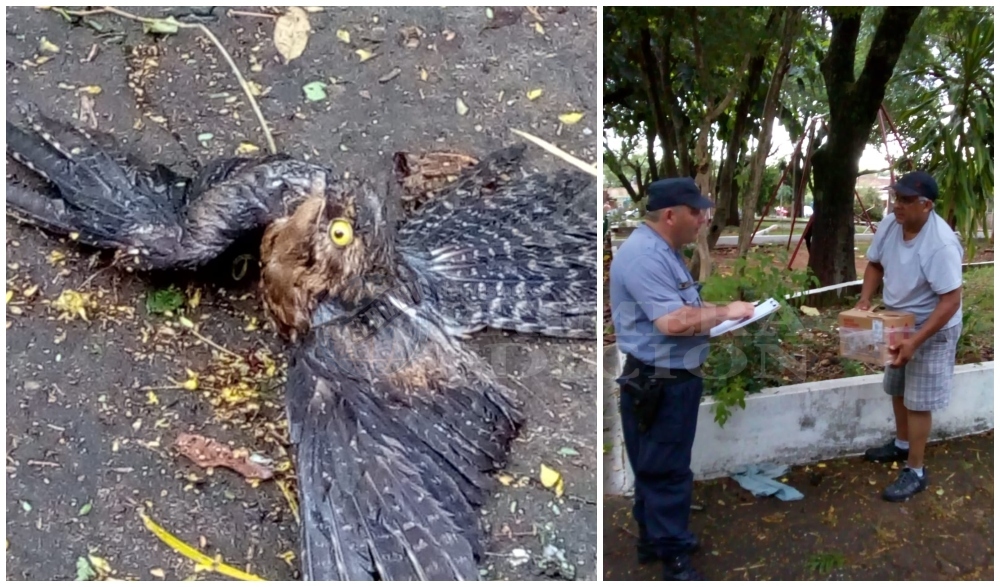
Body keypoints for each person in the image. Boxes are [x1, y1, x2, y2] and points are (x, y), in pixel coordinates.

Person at [609, 177, 755, 581]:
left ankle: (655, 541)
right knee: (667, 470)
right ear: (671, 214)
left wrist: (730, 313)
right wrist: (726, 312)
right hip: (661, 379)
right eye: (696, 211)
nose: (703, 219)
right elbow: (673, 321)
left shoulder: (662, 250)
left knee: (655, 464)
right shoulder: (645, 256)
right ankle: (672, 556)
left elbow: (686, 306)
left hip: (667, 375)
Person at [856, 170, 963, 502]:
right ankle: (902, 444)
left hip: (934, 326)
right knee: (898, 388)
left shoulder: (941, 244)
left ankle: (915, 470)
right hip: (897, 320)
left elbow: (951, 299)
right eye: (895, 198)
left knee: (918, 401)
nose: (896, 206)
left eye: (905, 200)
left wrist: (916, 341)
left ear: (926, 205)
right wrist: (864, 301)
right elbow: (875, 264)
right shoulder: (891, 225)